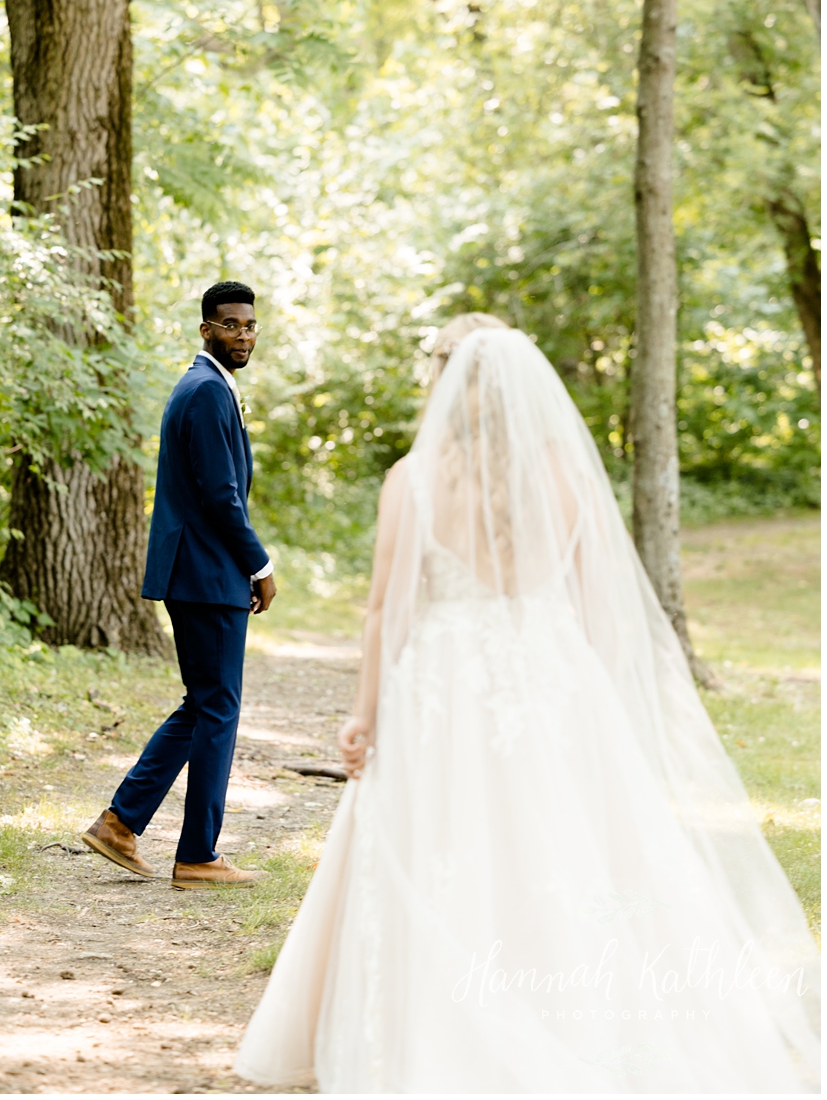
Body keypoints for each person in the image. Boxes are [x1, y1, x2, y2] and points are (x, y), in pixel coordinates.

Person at [235, 315, 821, 1092]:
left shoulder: (412, 479)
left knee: (446, 847)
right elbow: (598, 609)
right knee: (557, 847)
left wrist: (364, 713)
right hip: (552, 683)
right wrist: (599, 703)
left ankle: (444, 1037)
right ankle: (573, 1022)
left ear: (441, 381)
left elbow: (386, 609)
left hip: (445, 689)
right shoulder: (567, 478)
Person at [81, 280, 277, 890]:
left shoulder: (209, 386)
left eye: (249, 324)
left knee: (203, 704)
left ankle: (120, 822)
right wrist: (260, 566)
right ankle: (197, 855)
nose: (242, 334)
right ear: (206, 329)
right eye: (229, 324)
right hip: (206, 572)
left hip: (200, 571)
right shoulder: (204, 393)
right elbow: (221, 497)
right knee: (218, 707)